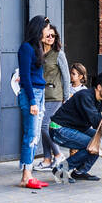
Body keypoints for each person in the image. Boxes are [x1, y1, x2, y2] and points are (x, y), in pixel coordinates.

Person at [48, 71, 102, 184]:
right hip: (58, 129)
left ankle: (80, 171)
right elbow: (96, 121)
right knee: (92, 144)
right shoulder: (85, 96)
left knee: (100, 141)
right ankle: (60, 170)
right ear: (99, 87)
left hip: (76, 128)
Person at [15, 15, 51, 188]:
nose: (49, 32)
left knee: (35, 135)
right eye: (46, 28)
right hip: (32, 95)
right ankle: (26, 176)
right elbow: (25, 77)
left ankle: (27, 174)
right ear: (39, 29)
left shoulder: (37, 47)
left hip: (39, 93)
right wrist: (32, 102)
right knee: (30, 135)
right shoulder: (26, 48)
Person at [32, 23, 72, 174]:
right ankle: (47, 160)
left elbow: (66, 77)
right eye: (48, 35)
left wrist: (66, 97)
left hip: (55, 96)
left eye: (53, 35)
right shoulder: (39, 53)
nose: (50, 38)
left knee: (43, 125)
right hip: (41, 95)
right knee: (45, 127)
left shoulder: (59, 54)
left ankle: (58, 154)